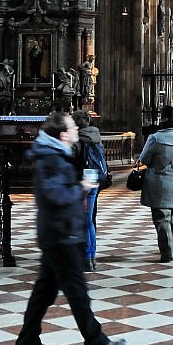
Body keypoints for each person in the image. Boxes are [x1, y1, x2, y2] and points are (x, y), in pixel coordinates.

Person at [15, 111, 126, 345]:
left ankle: (27, 341)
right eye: (73, 126)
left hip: (60, 232)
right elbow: (54, 195)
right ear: (64, 134)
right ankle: (96, 343)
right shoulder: (51, 158)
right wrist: (80, 188)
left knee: (44, 292)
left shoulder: (55, 155)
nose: (77, 128)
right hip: (60, 234)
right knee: (77, 292)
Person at [137, 105, 173, 263]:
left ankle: (167, 250)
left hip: (159, 182)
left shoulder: (155, 138)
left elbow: (144, 159)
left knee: (161, 217)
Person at [72, 110, 109, 272]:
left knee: (85, 220)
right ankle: (91, 254)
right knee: (90, 218)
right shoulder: (96, 136)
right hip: (95, 179)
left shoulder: (78, 140)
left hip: (84, 181)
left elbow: (73, 163)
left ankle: (87, 257)